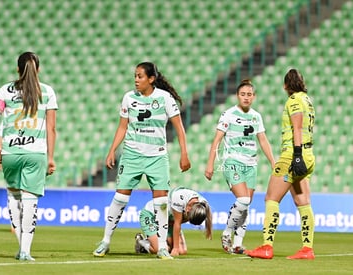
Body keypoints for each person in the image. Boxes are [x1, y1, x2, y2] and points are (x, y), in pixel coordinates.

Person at [93, 61, 191, 260]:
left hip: (157, 156)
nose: (136, 80)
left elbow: (179, 128)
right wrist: (112, 150)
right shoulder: (129, 98)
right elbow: (122, 127)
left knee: (162, 202)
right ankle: (105, 241)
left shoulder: (165, 98)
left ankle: (162, 246)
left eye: (140, 76)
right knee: (120, 198)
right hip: (132, 154)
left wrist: (184, 154)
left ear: (151, 79)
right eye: (135, 76)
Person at [0, 52, 58, 261]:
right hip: (36, 153)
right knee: (30, 201)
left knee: (14, 197)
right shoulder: (46, 92)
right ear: (38, 70)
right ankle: (25, 250)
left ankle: (20, 246)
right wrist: (51, 157)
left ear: (18, 69)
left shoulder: (5, 90)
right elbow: (51, 128)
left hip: (10, 151)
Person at [245, 69, 315, 260]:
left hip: (293, 154)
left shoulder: (293, 101)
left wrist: (297, 156)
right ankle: (307, 249)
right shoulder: (307, 100)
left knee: (271, 198)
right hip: (309, 155)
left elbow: (297, 128)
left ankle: (267, 246)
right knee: (303, 202)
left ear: (285, 86)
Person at [205, 79, 275, 254]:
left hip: (251, 164)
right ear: (237, 96)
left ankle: (237, 243)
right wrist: (210, 163)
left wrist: (274, 163)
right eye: (243, 94)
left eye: (249, 94)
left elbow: (263, 141)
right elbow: (217, 140)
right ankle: (227, 233)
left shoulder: (256, 116)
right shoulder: (228, 114)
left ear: (254, 97)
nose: (246, 97)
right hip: (232, 162)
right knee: (243, 200)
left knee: (246, 204)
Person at [135, 186, 212, 256]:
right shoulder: (179, 198)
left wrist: (208, 230)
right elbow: (177, 223)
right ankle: (141, 243)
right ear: (189, 209)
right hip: (151, 214)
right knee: (158, 249)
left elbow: (207, 217)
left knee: (182, 251)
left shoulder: (202, 205)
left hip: (168, 220)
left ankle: (161, 242)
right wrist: (175, 248)